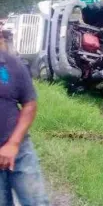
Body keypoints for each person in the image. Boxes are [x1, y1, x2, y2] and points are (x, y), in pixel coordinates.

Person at [0, 33, 49, 205]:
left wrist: (13, 144)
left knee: (36, 202)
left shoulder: (13, 65)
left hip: (19, 151)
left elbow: (29, 104)